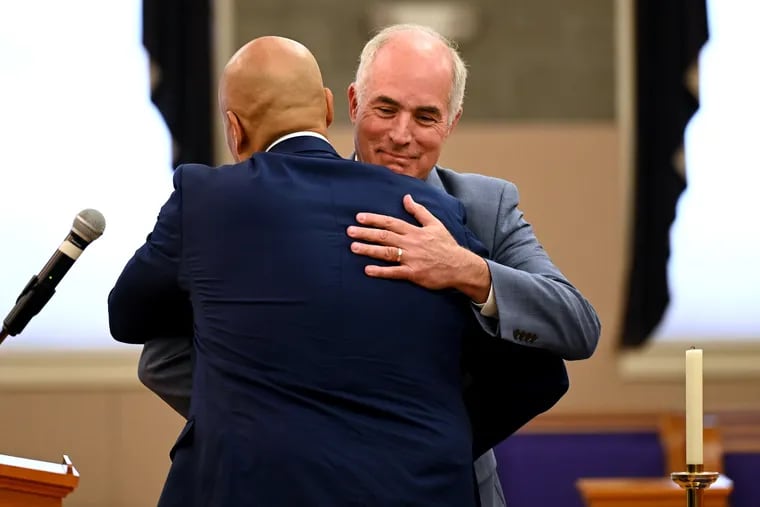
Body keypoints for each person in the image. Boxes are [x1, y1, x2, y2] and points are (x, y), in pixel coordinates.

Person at [138, 24, 602, 507]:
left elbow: (577, 325)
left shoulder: (487, 207)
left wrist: (466, 269)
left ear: (452, 121)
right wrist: (279, 421)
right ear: (353, 103)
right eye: (386, 109)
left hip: (438, 484)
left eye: (426, 116)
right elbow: (163, 355)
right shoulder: (280, 208)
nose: (402, 135)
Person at [109, 36, 487, 506]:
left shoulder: (206, 200)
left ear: (234, 128)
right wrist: (424, 438)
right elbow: (535, 374)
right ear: (330, 108)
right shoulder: (434, 215)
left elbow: (126, 317)